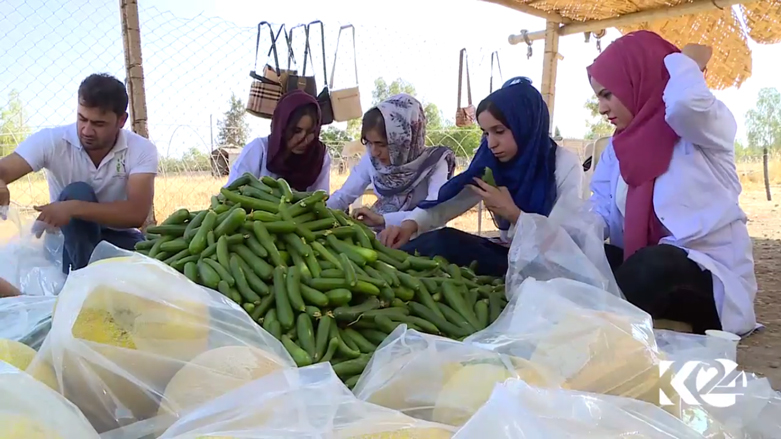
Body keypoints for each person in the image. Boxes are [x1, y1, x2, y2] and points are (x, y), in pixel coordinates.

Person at [587, 30, 756, 335]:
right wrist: (574, 241)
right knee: (587, 263)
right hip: (641, 268)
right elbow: (599, 206)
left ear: (636, 79)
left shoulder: (702, 131)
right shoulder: (618, 148)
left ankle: (612, 322)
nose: (601, 108)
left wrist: (683, 62)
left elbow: (685, 104)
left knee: (654, 266)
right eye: (598, 96)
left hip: (700, 275)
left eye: (607, 94)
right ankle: (656, 325)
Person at [378, 78, 583, 276]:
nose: (491, 143)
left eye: (499, 131)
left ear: (525, 124)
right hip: (508, 256)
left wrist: (514, 214)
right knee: (442, 240)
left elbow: (563, 243)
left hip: (548, 266)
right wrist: (409, 225)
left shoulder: (563, 164)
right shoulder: (491, 161)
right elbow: (452, 200)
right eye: (485, 133)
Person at [0, 73, 158, 275]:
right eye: (82, 119)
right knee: (77, 191)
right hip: (67, 240)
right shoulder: (52, 141)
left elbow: (136, 214)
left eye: (98, 124)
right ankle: (83, 279)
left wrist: (72, 208)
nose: (87, 130)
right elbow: (4, 168)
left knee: (157, 270)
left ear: (121, 120)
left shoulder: (141, 149)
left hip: (118, 236)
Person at [326, 94, 456, 229]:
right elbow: (344, 195)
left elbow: (434, 210)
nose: (375, 152)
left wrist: (383, 220)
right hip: (381, 233)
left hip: (423, 237)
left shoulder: (434, 162)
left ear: (405, 139)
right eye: (369, 143)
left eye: (382, 144)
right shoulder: (372, 160)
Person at [227, 90, 330, 193]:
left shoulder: (319, 156)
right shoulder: (259, 150)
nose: (304, 139)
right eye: (297, 131)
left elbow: (322, 200)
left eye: (311, 132)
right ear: (282, 127)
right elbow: (232, 192)